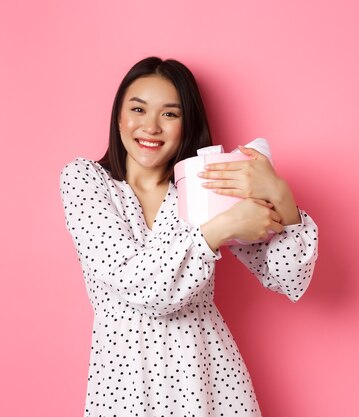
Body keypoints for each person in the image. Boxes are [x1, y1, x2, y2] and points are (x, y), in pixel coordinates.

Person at [59, 56, 318, 416]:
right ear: (119, 115)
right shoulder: (85, 180)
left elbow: (290, 278)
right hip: (125, 382)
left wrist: (280, 194)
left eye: (169, 114)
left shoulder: (207, 184)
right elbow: (140, 285)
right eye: (138, 109)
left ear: (186, 123)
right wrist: (222, 228)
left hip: (207, 376)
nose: (150, 126)